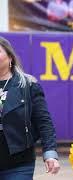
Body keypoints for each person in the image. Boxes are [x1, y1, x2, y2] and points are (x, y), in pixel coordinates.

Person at [0, 37, 60, 178]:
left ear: (10, 57)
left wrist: (50, 153)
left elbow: (44, 122)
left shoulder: (28, 84)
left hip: (18, 163)